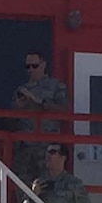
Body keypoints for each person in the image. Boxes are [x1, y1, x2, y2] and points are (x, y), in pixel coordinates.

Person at [10, 49, 68, 185]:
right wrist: (18, 108)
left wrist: (40, 102)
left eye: (34, 66)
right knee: (23, 190)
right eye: (27, 66)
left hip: (47, 148)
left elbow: (64, 110)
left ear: (43, 65)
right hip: (24, 149)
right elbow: (10, 122)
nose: (30, 70)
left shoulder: (56, 86)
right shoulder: (21, 89)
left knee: (48, 190)